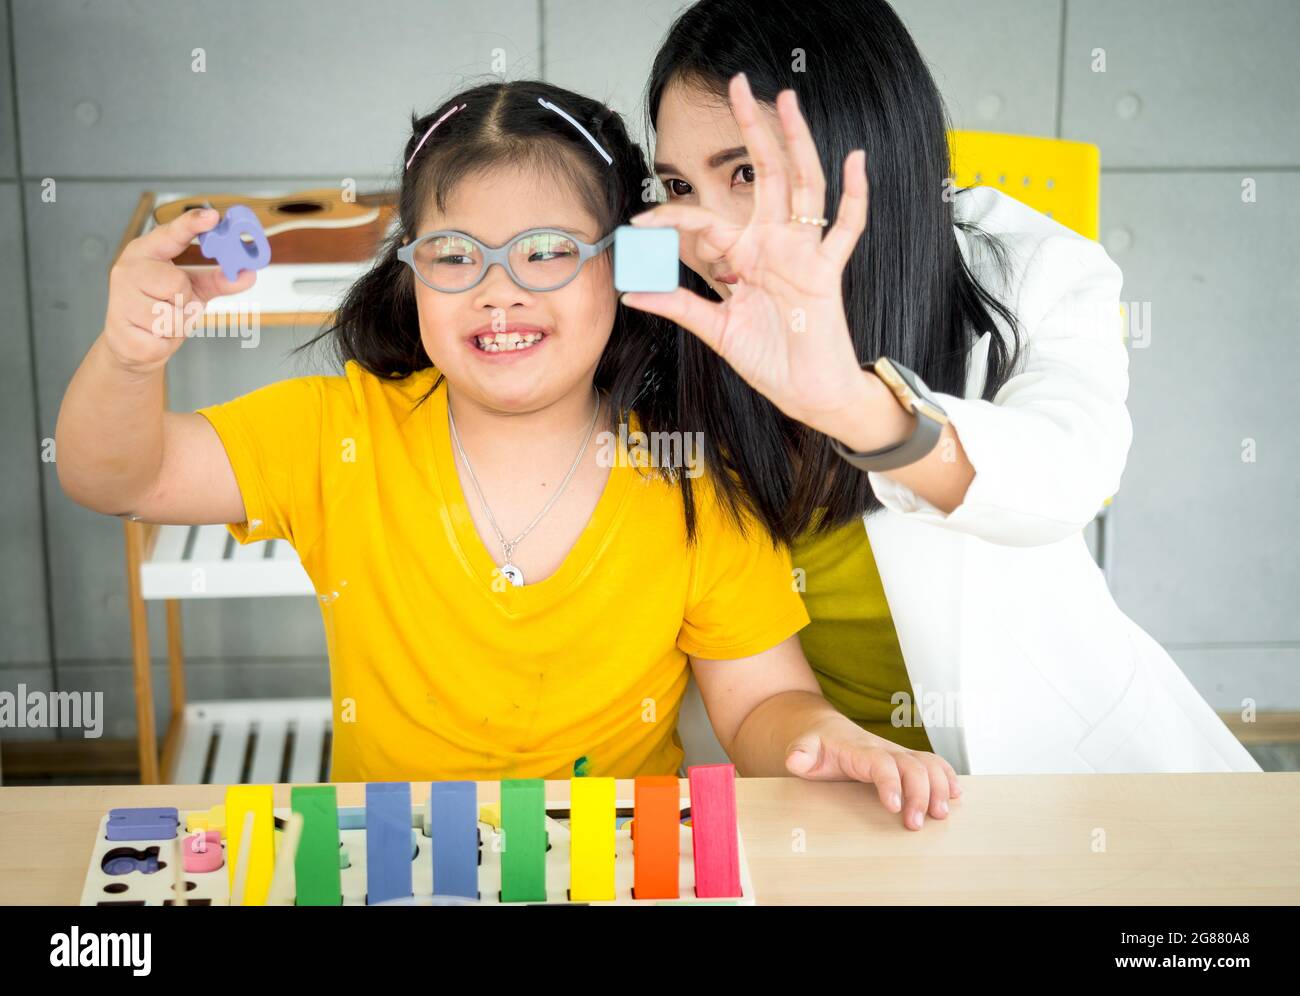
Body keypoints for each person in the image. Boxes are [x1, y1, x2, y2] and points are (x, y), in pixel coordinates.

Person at [55, 79, 963, 828]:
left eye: (548, 252)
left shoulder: (694, 477)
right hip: (392, 872)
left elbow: (762, 703)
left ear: (628, 267)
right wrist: (129, 359)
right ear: (409, 274)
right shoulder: (336, 434)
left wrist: (824, 737)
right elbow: (117, 477)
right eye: (454, 256)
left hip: (615, 876)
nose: (499, 292)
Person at [622, 0, 1259, 773]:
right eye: (680, 186)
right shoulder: (669, 300)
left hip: (1051, 774)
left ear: (863, 148)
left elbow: (1073, 474)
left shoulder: (1020, 266)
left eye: (746, 173)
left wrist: (856, 409)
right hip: (799, 776)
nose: (708, 232)